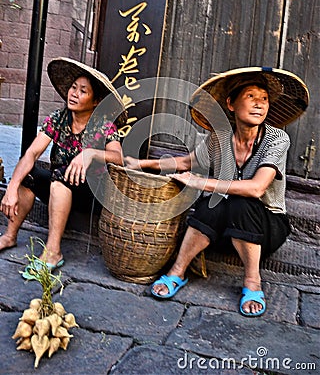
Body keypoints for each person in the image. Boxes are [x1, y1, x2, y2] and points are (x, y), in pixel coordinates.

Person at [125, 67, 309, 317]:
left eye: (264, 98)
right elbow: (185, 163)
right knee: (215, 203)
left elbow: (256, 188)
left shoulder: (277, 139)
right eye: (251, 96)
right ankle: (177, 272)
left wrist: (201, 183)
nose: (259, 104)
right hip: (224, 229)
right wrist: (142, 163)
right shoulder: (219, 138)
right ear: (231, 104)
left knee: (240, 202)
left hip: (267, 227)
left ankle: (253, 282)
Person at [0, 57, 126, 279]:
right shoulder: (58, 119)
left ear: (95, 100)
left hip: (92, 194)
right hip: (59, 187)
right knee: (30, 173)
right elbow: (32, 153)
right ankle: (9, 235)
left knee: (60, 176)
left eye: (83, 91)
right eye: (73, 88)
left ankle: (53, 252)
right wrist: (12, 186)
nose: (74, 93)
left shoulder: (104, 125)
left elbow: (119, 159)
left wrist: (90, 153)